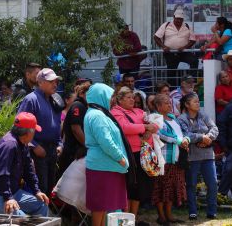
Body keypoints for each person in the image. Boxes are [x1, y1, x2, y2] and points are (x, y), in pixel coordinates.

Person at [0, 112, 50, 216]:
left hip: (11, 192)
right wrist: (8, 198)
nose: (35, 134)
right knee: (19, 217)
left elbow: (29, 170)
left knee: (41, 205)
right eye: (34, 131)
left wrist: (37, 191)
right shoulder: (8, 145)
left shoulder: (23, 144)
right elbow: (2, 174)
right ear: (28, 133)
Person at [84, 83, 131, 226]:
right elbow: (106, 141)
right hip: (103, 166)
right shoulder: (97, 115)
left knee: (105, 205)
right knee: (100, 205)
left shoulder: (98, 113)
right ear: (101, 96)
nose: (112, 100)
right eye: (110, 96)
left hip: (107, 166)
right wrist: (120, 158)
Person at [111, 86, 158, 223]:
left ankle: (134, 219)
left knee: (139, 188)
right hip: (129, 154)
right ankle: (126, 220)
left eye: (133, 98)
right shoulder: (115, 112)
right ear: (120, 99)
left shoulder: (139, 111)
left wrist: (148, 130)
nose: (132, 100)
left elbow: (156, 125)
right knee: (129, 187)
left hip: (143, 153)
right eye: (129, 98)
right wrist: (145, 127)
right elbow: (125, 128)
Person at [17, 68, 63, 195]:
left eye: (56, 82)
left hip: (53, 150)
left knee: (49, 187)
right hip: (37, 151)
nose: (55, 84)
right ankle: (38, 214)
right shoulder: (31, 99)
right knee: (39, 188)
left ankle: (45, 212)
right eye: (51, 81)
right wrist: (35, 146)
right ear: (40, 82)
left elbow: (57, 124)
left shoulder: (55, 100)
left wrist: (60, 144)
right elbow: (20, 126)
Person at [177, 93, 219, 221]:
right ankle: (192, 211)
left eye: (198, 101)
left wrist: (209, 138)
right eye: (194, 101)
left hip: (207, 155)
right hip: (191, 157)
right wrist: (202, 137)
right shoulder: (181, 119)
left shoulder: (204, 115)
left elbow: (214, 128)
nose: (197, 103)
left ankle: (212, 211)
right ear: (187, 104)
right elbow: (186, 134)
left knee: (212, 184)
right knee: (191, 185)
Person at [152, 94, 189, 225]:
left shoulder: (174, 118)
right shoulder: (156, 119)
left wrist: (186, 139)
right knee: (162, 187)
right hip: (163, 159)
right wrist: (179, 141)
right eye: (166, 103)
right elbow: (161, 135)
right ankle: (161, 216)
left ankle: (169, 215)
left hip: (176, 158)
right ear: (158, 106)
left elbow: (184, 133)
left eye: (170, 103)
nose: (169, 105)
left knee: (173, 187)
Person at [154, 8, 198, 73]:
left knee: (194, 60)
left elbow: (193, 40)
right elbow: (156, 37)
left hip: (183, 52)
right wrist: (163, 46)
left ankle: (191, 80)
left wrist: (184, 47)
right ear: (174, 17)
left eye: (181, 19)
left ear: (183, 19)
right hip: (170, 53)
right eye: (177, 19)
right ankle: (172, 83)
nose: (179, 21)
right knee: (171, 71)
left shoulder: (187, 26)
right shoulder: (166, 25)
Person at [59, 86, 88, 174]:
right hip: (72, 152)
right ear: (82, 94)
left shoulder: (84, 106)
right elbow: (76, 128)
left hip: (77, 151)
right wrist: (87, 145)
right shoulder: (78, 105)